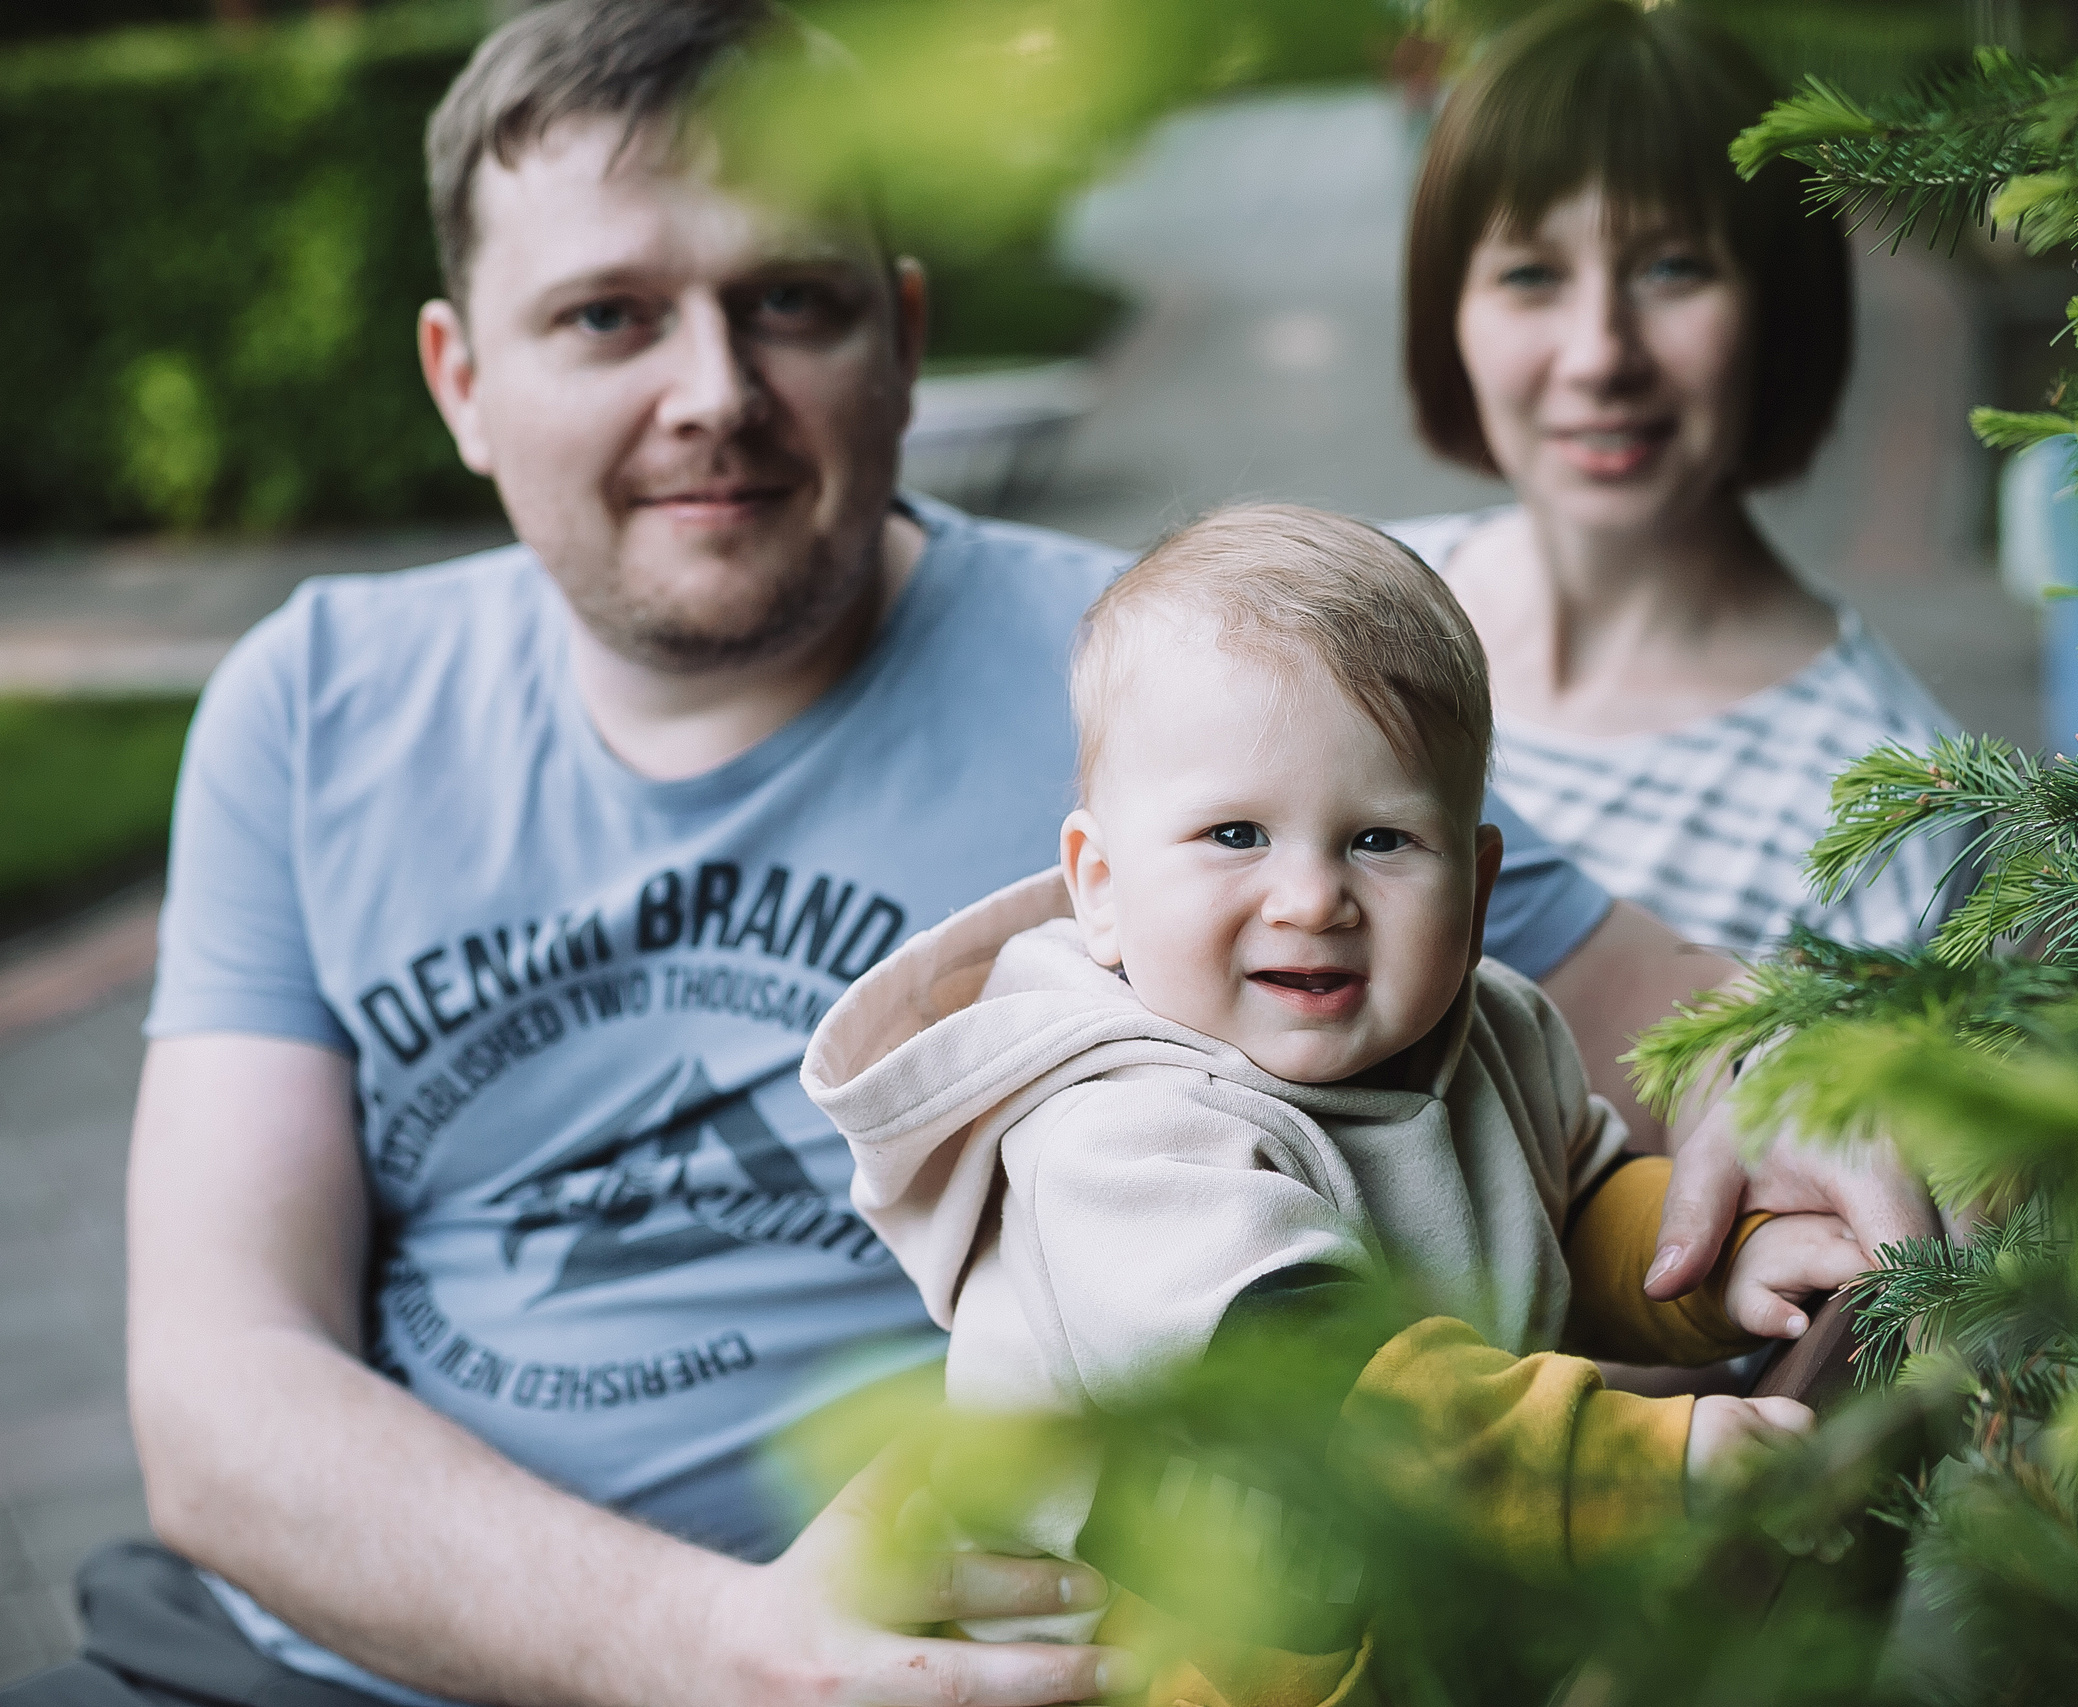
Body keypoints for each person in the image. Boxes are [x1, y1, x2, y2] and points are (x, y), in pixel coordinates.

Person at [1, 5, 1931, 1707]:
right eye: (606, 315)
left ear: (905, 334)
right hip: (321, 1660)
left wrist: (1796, 1117)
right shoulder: (317, 704)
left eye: (792, 300)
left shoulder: (1174, 687)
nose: (713, 391)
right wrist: (712, 1651)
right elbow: (222, 1395)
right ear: (458, 377)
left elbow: (1683, 1029)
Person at [800, 505, 1861, 1701]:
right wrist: (1618, 1467)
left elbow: (1567, 1212)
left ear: (1477, 886)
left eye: (1380, 840)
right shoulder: (1119, 1137)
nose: (1310, 899)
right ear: (1100, 887)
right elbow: (1335, 1392)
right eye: (1235, 833)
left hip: (1414, 1579)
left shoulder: (1492, 1032)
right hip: (1154, 1645)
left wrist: (1718, 1258)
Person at [1392, 0, 1970, 964]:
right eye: (1530, 275)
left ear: (1781, 305)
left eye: (1672, 268)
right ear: (1447, 311)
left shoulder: (1889, 815)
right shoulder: (1344, 618)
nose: (1600, 355)